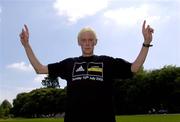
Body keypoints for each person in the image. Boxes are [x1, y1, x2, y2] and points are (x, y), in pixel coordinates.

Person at [19, 20, 154, 122]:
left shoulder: (106, 62)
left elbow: (135, 67)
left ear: (96, 42)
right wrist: (26, 45)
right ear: (79, 42)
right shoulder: (69, 63)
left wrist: (146, 43)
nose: (87, 43)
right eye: (84, 40)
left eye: (90, 40)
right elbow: (39, 68)